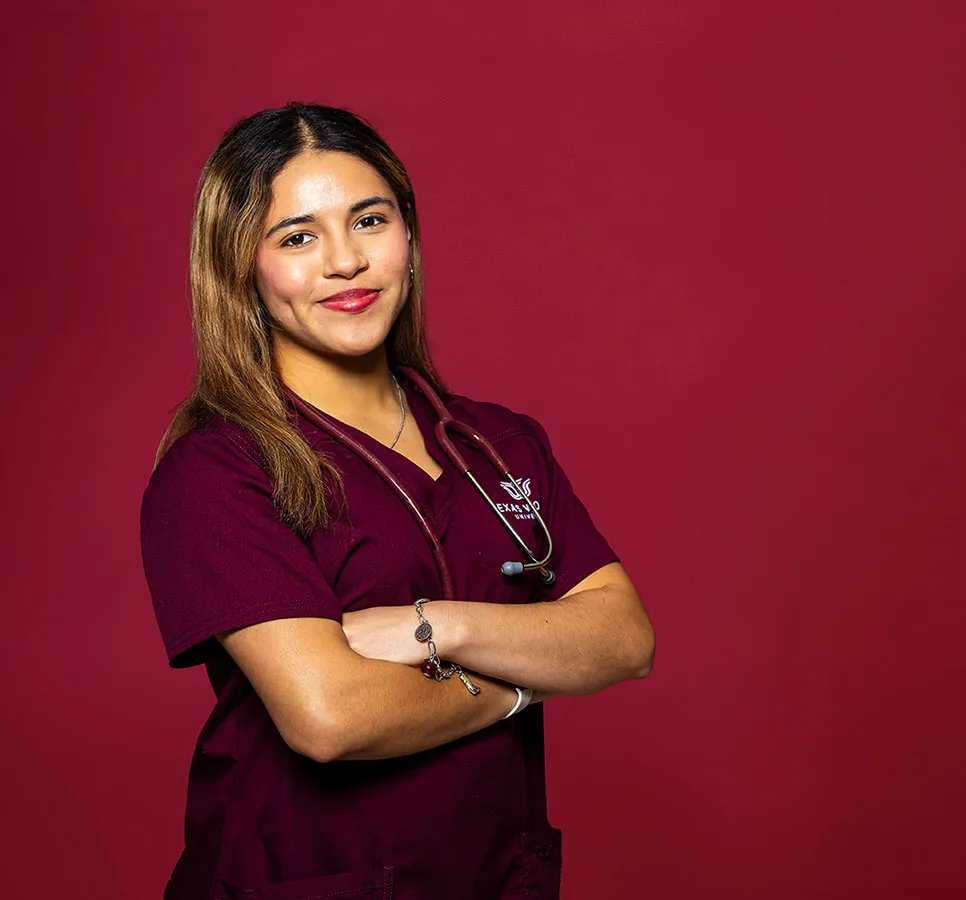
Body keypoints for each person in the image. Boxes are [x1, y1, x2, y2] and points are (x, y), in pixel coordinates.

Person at [138, 102, 654, 900]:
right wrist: (529, 679)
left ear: (408, 237)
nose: (345, 261)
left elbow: (623, 637)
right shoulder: (218, 472)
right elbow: (332, 718)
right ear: (243, 266)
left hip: (492, 874)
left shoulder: (497, 444)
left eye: (369, 220)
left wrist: (437, 624)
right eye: (298, 236)